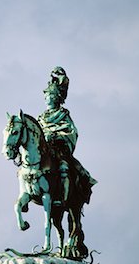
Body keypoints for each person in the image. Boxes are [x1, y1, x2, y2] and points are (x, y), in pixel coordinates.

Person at [38, 67, 97, 206]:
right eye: (47, 96)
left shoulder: (63, 114)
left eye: (51, 96)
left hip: (58, 149)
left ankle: (63, 198)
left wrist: (58, 137)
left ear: (57, 98)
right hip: (44, 150)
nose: (48, 98)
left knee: (64, 167)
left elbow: (72, 131)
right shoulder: (41, 118)